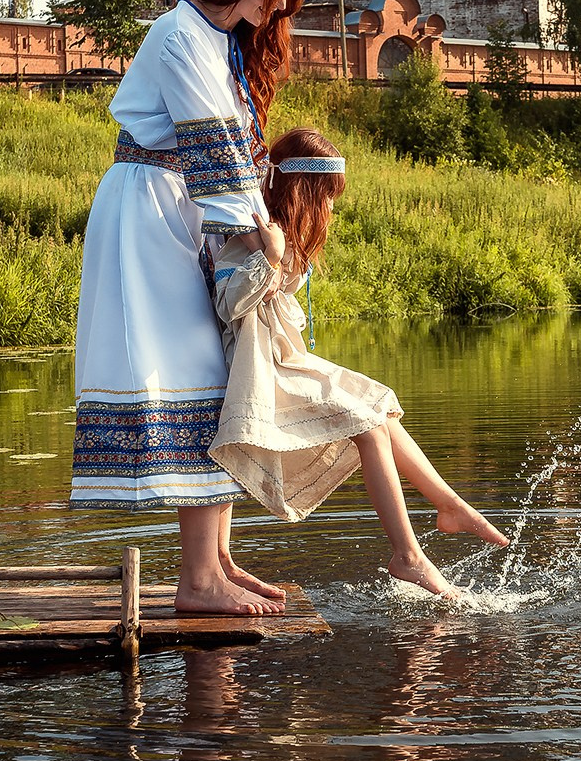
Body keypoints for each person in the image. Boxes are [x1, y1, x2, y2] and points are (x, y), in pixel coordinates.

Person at [69, 0, 307, 616]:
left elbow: (231, 148)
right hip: (152, 209)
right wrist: (261, 230)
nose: (278, 8)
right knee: (201, 371)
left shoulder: (214, 42)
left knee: (219, 370)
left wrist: (257, 223)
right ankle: (198, 578)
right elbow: (215, 149)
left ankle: (217, 562)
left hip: (181, 207)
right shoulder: (178, 36)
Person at [206, 127, 508, 597]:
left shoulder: (281, 241)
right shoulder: (255, 240)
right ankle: (407, 556)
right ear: (302, 192)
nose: (330, 209)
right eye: (326, 197)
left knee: (380, 407)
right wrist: (270, 256)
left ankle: (449, 504)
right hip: (258, 373)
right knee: (367, 424)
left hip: (285, 362)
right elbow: (230, 307)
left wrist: (281, 256)